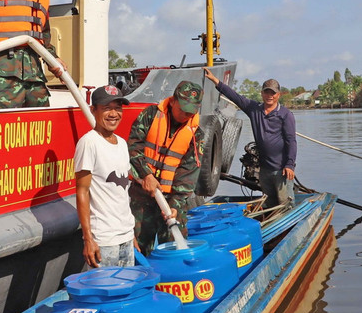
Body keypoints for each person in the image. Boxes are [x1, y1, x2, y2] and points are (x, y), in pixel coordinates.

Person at [128, 81, 204, 255]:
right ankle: (142, 278)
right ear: (174, 100)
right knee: (137, 248)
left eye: (191, 111)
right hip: (142, 195)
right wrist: (145, 175)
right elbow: (133, 145)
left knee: (176, 250)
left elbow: (189, 174)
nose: (186, 114)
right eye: (183, 108)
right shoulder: (150, 115)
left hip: (171, 200)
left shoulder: (197, 135)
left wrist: (175, 205)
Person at [203, 68, 296, 209]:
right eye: (267, 92)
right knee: (269, 204)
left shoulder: (285, 114)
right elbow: (235, 97)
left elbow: (291, 141)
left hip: (281, 169)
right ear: (262, 93)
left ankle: (290, 227)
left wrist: (290, 164)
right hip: (264, 168)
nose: (269, 95)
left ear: (278, 95)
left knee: (286, 205)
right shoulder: (254, 109)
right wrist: (216, 81)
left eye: (273, 93)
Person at [74, 85, 136, 268]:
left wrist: (130, 234)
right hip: (104, 240)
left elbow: (122, 192)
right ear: (93, 110)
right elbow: (82, 191)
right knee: (106, 295)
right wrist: (88, 239)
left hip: (126, 237)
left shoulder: (122, 144)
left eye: (118, 108)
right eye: (107, 108)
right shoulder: (89, 143)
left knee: (126, 293)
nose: (113, 114)